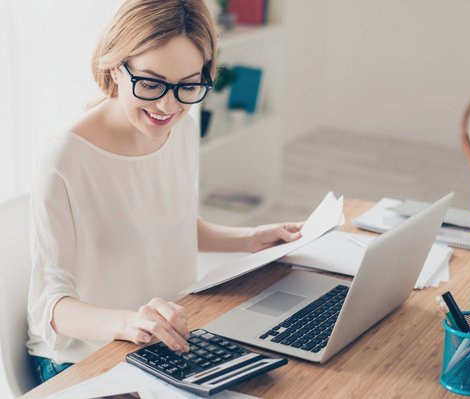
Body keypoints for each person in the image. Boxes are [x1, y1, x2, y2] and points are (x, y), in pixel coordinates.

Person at [26, 0, 302, 384]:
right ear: (115, 66)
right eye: (151, 83)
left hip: (165, 347)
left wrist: (252, 239)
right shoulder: (66, 156)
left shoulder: (181, 129)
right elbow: (51, 305)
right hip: (83, 361)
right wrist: (129, 322)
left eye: (188, 85)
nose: (167, 104)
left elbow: (171, 225)